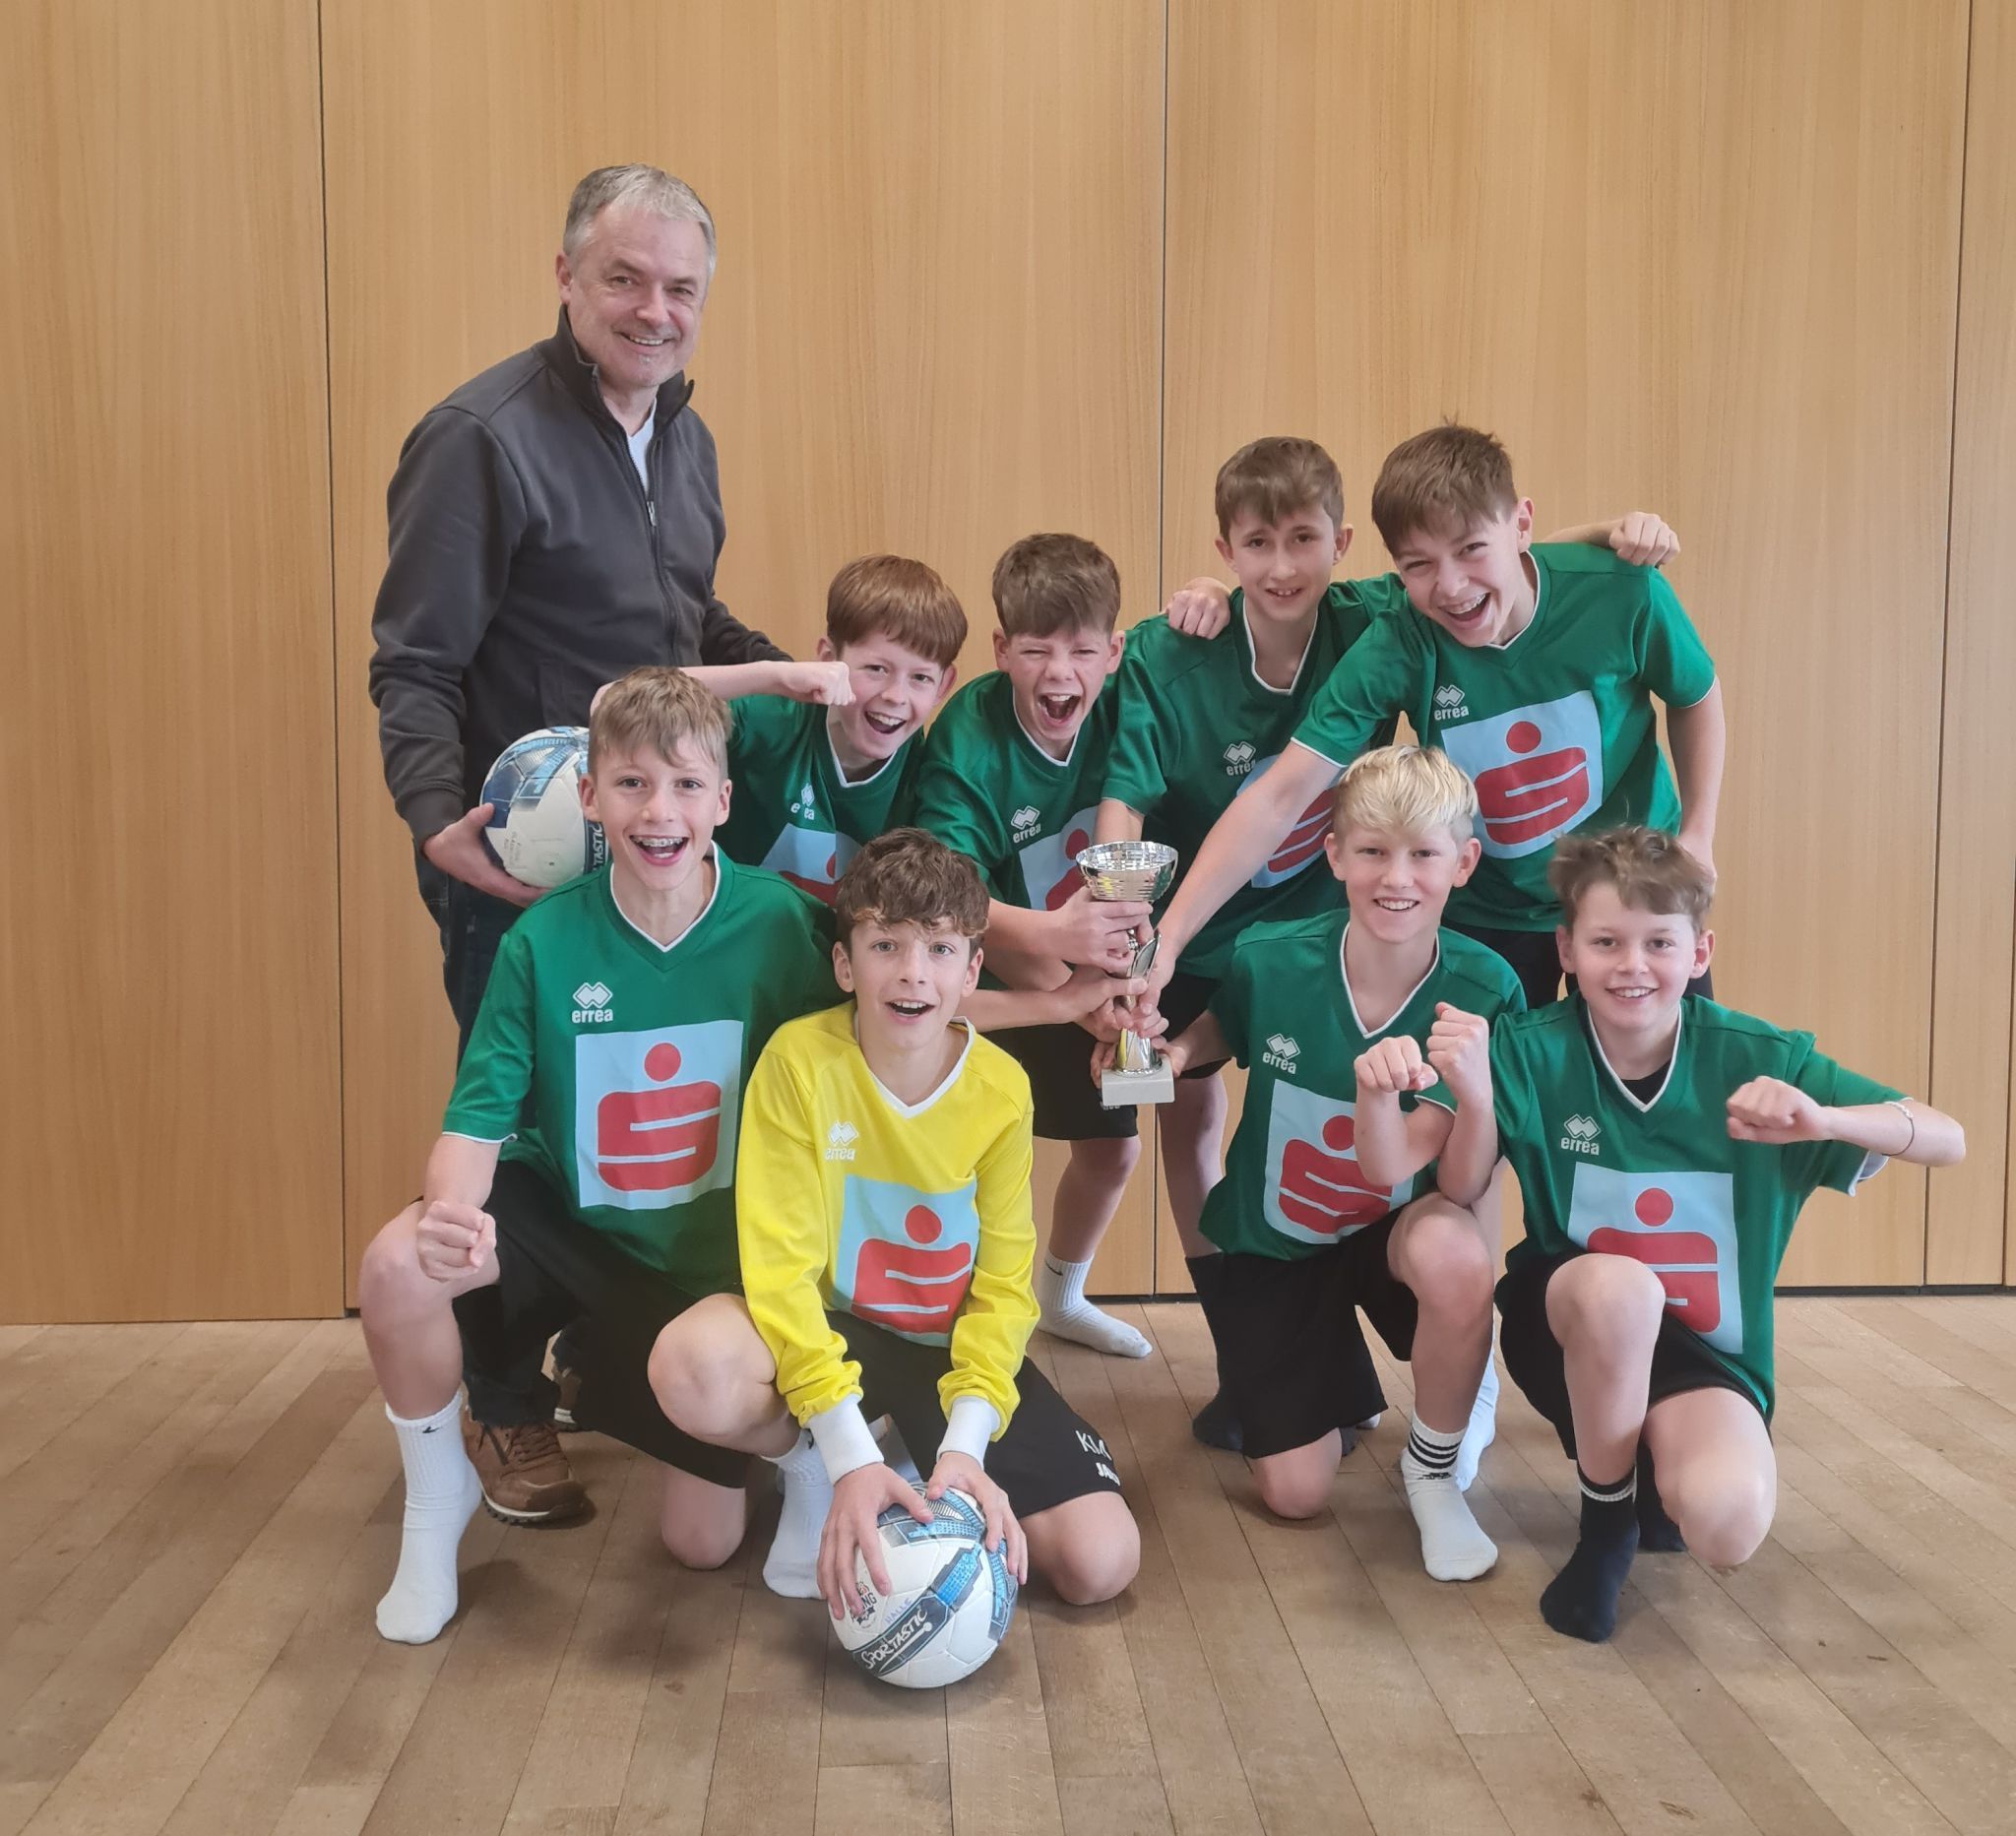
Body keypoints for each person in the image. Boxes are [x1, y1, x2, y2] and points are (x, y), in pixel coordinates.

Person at [356, 668, 837, 1644]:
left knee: (700, 1543)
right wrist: (451, 1214)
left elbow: (837, 1100)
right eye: (630, 784)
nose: (659, 810)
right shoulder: (543, 938)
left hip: (716, 1263)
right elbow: (477, 1118)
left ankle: (812, 1454)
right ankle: (435, 1494)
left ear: (723, 801)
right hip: (576, 1229)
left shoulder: (781, 927)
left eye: (686, 785)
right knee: (399, 1261)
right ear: (586, 795)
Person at [1435, 827, 1964, 1642]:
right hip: (1574, 1322)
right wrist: (1472, 1096)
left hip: (1699, 1355)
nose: (1632, 965)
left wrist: (1823, 1118)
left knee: (1725, 1523)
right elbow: (1461, 1185)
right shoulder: (1532, 1048)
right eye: (1606, 941)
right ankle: (1604, 1523)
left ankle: (1652, 1477)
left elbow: (1947, 1136)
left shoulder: (1757, 1056)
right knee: (1622, 1285)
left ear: (1699, 949)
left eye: (1658, 942)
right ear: (1567, 950)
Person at [648, 830, 1142, 1615]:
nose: (914, 972)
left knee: (1101, 1562)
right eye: (886, 944)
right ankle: (827, 1457)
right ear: (846, 964)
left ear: (973, 968)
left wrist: (966, 1446)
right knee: (692, 1367)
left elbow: (1006, 1287)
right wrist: (842, 1454)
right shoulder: (797, 1062)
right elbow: (779, 1269)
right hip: (836, 1333)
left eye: (942, 949)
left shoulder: (1003, 1087)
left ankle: (916, 1455)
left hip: (946, 1345)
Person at [369, 163, 787, 1049]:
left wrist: (801, 679)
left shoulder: (684, 435)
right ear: (566, 276)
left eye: (681, 289)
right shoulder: (478, 438)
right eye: (624, 278)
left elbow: (682, 613)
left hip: (661, 849)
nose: (654, 312)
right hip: (532, 863)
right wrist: (437, 821)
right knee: (527, 1139)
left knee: (642, 1126)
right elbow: (415, 660)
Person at [1113, 746, 1523, 1579]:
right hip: (1281, 1236)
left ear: (1465, 862)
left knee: (1453, 1246)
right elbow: (1226, 1027)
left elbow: (1450, 1176)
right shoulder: (1272, 953)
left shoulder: (1486, 987)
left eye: (1422, 854)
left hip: (1391, 1227)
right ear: (1332, 854)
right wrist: (1165, 1051)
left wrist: (1470, 1096)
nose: (1395, 877)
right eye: (1371, 850)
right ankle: (1332, 1384)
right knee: (1295, 1493)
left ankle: (1437, 1463)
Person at [1147, 422, 1720, 1013]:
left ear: (1521, 524)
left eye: (1471, 549)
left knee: (1651, 1074)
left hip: (1631, 887)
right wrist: (1169, 939)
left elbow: (1694, 694)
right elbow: (1280, 795)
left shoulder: (1622, 592)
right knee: (1482, 1091)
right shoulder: (1399, 640)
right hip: (1488, 909)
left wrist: (1698, 832)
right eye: (1418, 565)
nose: (1450, 586)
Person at [908, 536, 1192, 1360]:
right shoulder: (969, 730)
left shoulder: (1136, 694)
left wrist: (1106, 995)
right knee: (955, 1152)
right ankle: (927, 1322)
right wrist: (1068, 977)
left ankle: (1062, 1294)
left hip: (1103, 973)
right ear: (1002, 652)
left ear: (1115, 648)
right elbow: (948, 899)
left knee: (1112, 1150)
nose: (1058, 672)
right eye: (1034, 650)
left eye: (1080, 649)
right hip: (991, 973)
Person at [693, 553, 965, 901]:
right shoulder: (771, 718)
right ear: (827, 660)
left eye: (921, 678)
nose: (896, 696)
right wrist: (771, 675)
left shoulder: (930, 769)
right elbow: (621, 697)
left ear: (944, 685)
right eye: (876, 669)